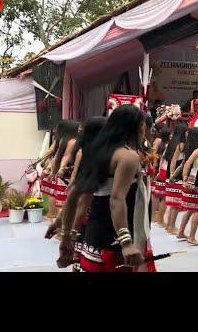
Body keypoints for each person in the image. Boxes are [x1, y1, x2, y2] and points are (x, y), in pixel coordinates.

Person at [74, 105, 151, 272]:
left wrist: (70, 233)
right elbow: (117, 199)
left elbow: (80, 195)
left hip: (95, 230)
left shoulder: (97, 151)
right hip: (115, 232)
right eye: (143, 124)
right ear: (135, 126)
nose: (145, 128)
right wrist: (126, 242)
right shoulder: (128, 156)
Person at [45, 117, 107, 271]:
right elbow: (80, 197)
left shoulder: (88, 152)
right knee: (87, 261)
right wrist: (67, 233)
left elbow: (75, 193)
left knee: (81, 260)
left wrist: (62, 225)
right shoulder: (95, 155)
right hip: (96, 221)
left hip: (88, 220)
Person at [177, 127, 198, 245]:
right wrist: (185, 179)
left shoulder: (194, 149)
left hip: (193, 180)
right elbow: (187, 164)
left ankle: (181, 232)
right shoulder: (197, 151)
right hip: (195, 182)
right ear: (197, 136)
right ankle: (192, 236)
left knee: (190, 209)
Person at [163, 124, 188, 234]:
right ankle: (171, 225)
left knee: (173, 202)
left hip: (171, 172)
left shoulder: (172, 143)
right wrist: (173, 175)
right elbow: (174, 160)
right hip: (176, 174)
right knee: (176, 203)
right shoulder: (181, 144)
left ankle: (169, 224)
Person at [151, 125, 171, 226]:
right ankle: (159, 218)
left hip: (158, 167)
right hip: (163, 168)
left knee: (156, 192)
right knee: (162, 195)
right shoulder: (168, 144)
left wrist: (154, 165)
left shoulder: (159, 142)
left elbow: (155, 154)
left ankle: (152, 216)